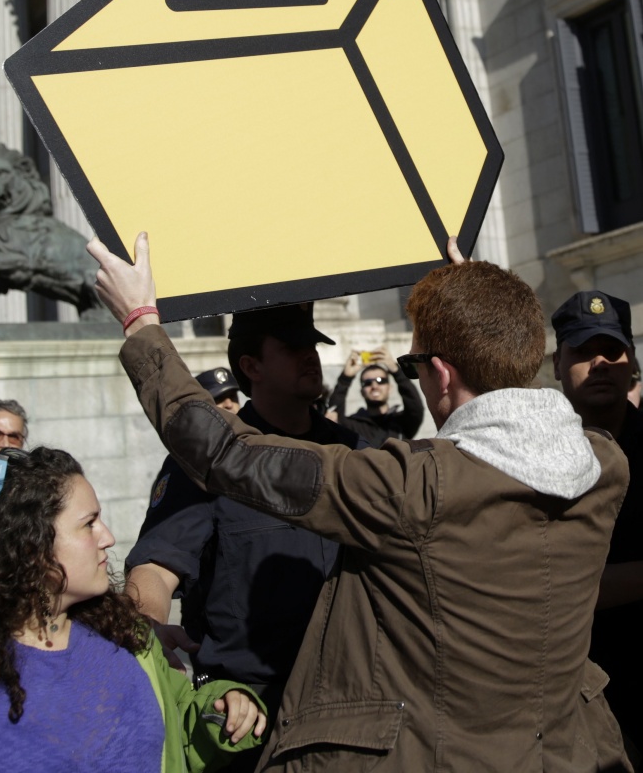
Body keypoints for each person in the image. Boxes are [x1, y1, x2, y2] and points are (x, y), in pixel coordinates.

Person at [88, 232, 630, 771]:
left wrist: (141, 323)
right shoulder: (605, 464)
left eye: (415, 366)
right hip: (561, 753)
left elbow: (225, 450)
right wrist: (481, 317)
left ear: (440, 373)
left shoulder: (408, 483)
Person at [0, 446, 266, 773]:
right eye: (89, 523)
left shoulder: (132, 644)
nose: (108, 536)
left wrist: (222, 708)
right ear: (31, 546)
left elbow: (181, 733)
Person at [125, 302, 370, 762]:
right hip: (250, 714)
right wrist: (145, 628)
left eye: (312, 345)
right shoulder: (204, 463)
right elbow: (157, 566)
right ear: (250, 366)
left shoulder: (357, 451)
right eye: (293, 347)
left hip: (353, 705)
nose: (310, 356)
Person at [552, 290, 643, 765]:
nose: (600, 363)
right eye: (583, 352)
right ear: (556, 365)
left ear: (633, 363)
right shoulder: (531, 461)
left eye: (612, 350)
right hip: (572, 694)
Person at [326, 347, 423, 445]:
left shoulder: (402, 423)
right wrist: (345, 378)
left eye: (381, 380)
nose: (374, 386)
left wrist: (396, 370)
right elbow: (333, 416)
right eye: (367, 383)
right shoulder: (353, 425)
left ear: (390, 387)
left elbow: (416, 407)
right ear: (362, 391)